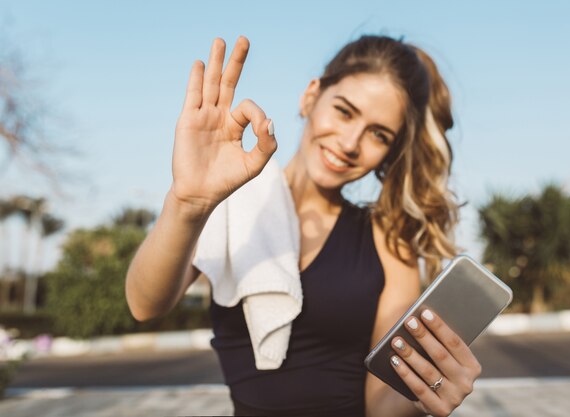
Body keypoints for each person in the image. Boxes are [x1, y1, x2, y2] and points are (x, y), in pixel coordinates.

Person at [126, 34, 482, 417]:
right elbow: (144, 304)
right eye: (344, 111)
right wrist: (187, 203)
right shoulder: (226, 202)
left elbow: (382, 405)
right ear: (311, 95)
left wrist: (423, 394)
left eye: (379, 134)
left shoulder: (386, 237)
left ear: (390, 151)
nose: (349, 143)